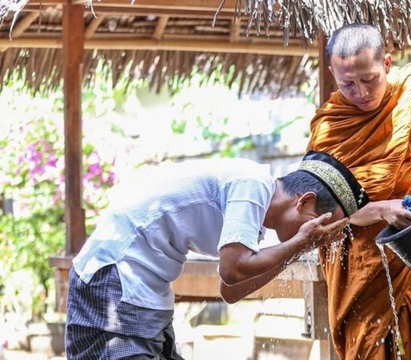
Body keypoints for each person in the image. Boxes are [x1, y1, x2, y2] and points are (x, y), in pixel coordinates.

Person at [64, 150, 369, 360]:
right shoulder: (252, 186)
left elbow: (231, 292)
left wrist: (297, 247)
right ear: (305, 201)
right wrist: (298, 244)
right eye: (320, 224)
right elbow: (232, 271)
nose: (318, 237)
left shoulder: (256, 212)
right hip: (115, 273)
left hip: (140, 288)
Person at [306, 23, 411, 359]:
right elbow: (326, 211)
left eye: (369, 79)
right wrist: (381, 209)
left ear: (387, 63)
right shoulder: (329, 128)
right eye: (347, 83)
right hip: (367, 265)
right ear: (331, 73)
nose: (361, 92)